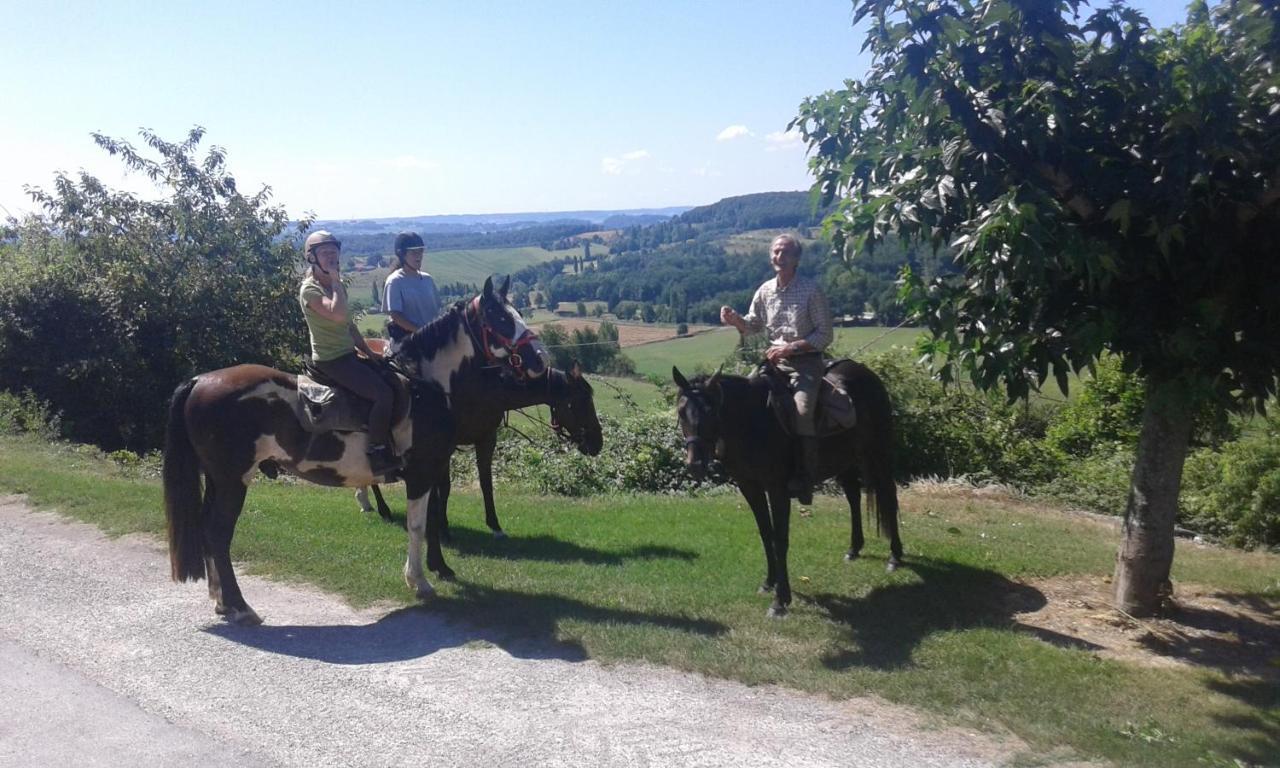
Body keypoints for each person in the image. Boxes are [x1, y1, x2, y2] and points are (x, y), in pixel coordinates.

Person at [720, 233, 833, 505]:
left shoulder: (810, 290)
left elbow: (825, 334)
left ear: (796, 259)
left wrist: (791, 348)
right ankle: (748, 466)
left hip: (805, 363)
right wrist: (736, 320)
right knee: (744, 401)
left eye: (784, 253)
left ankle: (805, 478)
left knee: (803, 412)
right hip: (773, 364)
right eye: (775, 252)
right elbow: (754, 325)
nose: (778, 257)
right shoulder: (765, 290)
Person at [298, 230, 402, 475]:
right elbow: (337, 314)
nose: (332, 257)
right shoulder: (310, 290)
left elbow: (349, 324)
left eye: (334, 252)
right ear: (311, 258)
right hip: (331, 359)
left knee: (392, 377)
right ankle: (376, 453)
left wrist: (368, 351)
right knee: (383, 395)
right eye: (325, 253)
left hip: (347, 354)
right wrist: (335, 281)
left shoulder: (335, 285)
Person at [383, 231, 441, 353]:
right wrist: (421, 331)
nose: (419, 256)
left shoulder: (428, 279)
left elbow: (437, 312)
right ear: (402, 254)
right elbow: (396, 316)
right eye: (414, 252)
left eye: (420, 251)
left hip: (431, 337)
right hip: (407, 341)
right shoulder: (394, 281)